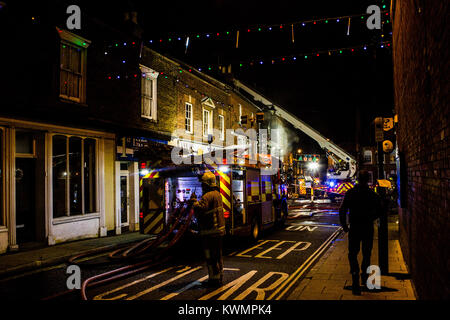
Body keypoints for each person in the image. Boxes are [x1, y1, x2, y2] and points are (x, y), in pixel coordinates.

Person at [339, 170, 383, 295]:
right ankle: (364, 275)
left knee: (352, 254)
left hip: (355, 228)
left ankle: (355, 279)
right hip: (368, 227)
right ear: (368, 179)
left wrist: (344, 226)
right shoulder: (372, 194)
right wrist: (371, 218)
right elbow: (381, 210)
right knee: (367, 253)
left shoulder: (350, 193)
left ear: (358, 179)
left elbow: (342, 209)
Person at [189, 172, 225, 287]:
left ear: (207, 185)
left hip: (210, 232)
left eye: (203, 184)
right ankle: (219, 277)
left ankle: (213, 280)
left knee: (211, 256)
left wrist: (194, 201)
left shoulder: (207, 196)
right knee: (218, 256)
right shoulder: (217, 194)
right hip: (218, 231)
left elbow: (200, 208)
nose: (202, 186)